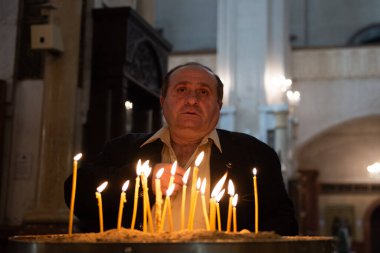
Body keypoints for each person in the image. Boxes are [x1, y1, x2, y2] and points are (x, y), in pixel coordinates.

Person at [64, 62, 298, 235]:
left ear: (218, 106)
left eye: (203, 92)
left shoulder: (254, 155)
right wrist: (145, 180)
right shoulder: (124, 148)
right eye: (182, 90)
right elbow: (77, 194)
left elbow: (285, 225)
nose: (192, 100)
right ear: (162, 101)